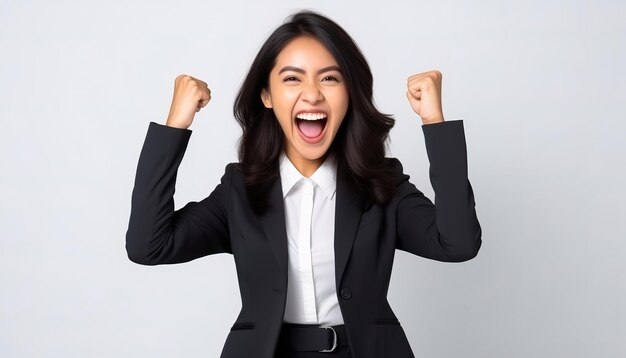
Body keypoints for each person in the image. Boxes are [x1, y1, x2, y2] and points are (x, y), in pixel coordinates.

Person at [126, 10, 481, 358]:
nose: (312, 95)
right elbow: (148, 246)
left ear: (350, 94)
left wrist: (434, 121)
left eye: (330, 78)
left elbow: (458, 244)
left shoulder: (382, 185)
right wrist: (175, 125)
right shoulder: (239, 191)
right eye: (292, 79)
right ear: (267, 95)